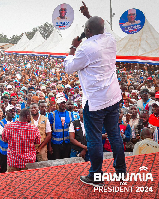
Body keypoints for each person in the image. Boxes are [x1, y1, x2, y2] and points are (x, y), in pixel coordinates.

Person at [64, 2, 126, 186]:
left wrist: (73, 47)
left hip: (96, 102)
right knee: (114, 134)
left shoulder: (85, 48)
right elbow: (100, 29)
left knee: (94, 139)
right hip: (113, 97)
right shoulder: (111, 40)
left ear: (88, 31)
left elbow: (69, 68)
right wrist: (88, 15)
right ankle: (121, 172)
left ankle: (96, 175)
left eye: (85, 30)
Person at [0, 105, 16, 173]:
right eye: (11, 111)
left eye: (14, 111)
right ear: (6, 112)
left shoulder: (16, 122)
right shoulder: (0, 123)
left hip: (14, 151)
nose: (13, 113)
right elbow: (3, 136)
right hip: (4, 150)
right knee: (4, 169)